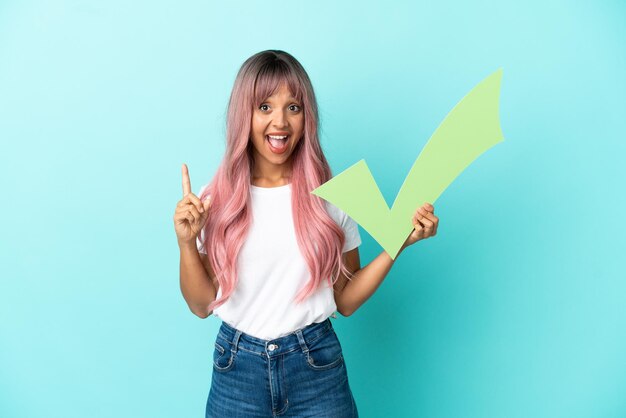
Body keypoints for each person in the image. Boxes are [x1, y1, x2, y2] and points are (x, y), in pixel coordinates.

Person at [173, 50, 439, 417]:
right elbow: (200, 305)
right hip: (237, 371)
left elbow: (344, 300)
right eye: (264, 106)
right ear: (243, 116)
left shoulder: (334, 196)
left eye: (293, 107)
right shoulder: (215, 199)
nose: (279, 121)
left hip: (316, 369)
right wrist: (187, 242)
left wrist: (399, 244)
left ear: (306, 117)